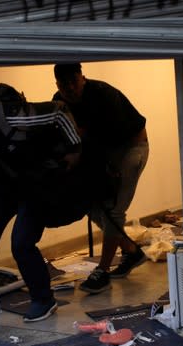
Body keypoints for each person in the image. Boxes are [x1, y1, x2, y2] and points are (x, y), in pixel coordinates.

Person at [0, 83, 84, 328]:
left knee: (21, 243)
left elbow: (59, 111)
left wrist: (74, 149)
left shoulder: (11, 115)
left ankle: (43, 299)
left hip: (34, 182)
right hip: (1, 186)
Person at [53, 63, 149, 294]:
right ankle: (131, 251)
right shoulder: (59, 101)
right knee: (92, 204)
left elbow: (116, 135)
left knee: (114, 209)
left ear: (82, 78)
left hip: (130, 147)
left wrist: (109, 167)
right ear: (57, 85)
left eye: (73, 82)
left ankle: (102, 271)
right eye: (64, 85)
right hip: (99, 154)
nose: (70, 89)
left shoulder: (103, 95)